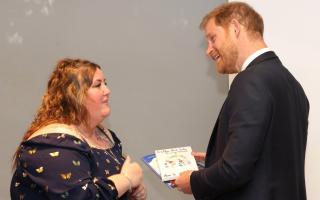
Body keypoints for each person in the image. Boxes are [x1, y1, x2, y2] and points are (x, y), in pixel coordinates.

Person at [174, 2, 309, 200]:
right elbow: (268, 159)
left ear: (235, 28)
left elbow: (234, 170)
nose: (209, 50)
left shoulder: (250, 80)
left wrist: (193, 181)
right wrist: (217, 157)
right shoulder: (292, 85)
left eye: (213, 38)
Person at [10, 58, 147, 200]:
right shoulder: (52, 144)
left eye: (105, 84)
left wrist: (131, 192)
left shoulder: (105, 136)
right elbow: (80, 196)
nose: (107, 90)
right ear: (75, 96)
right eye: (98, 85)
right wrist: (126, 180)